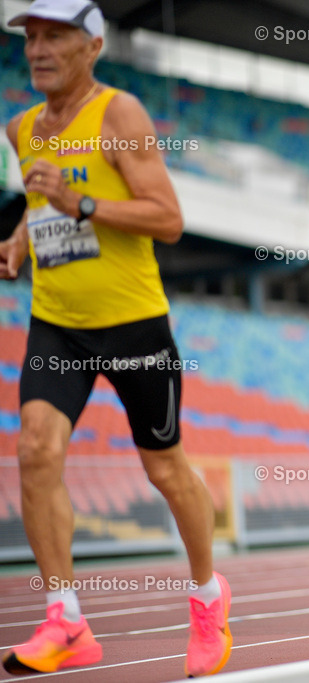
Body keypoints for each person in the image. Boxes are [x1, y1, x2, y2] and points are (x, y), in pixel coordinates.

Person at [0, 1, 230, 675]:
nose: (38, 50)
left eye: (55, 38)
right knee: (36, 449)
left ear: (92, 46)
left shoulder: (120, 114)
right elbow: (43, 204)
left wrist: (86, 205)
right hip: (57, 321)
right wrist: (17, 242)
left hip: (132, 324)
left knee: (165, 468)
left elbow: (168, 217)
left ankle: (208, 598)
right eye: (31, 38)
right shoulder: (20, 128)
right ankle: (65, 618)